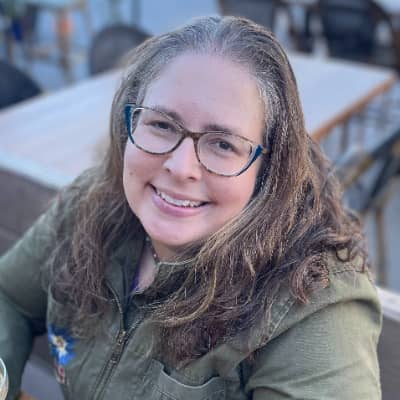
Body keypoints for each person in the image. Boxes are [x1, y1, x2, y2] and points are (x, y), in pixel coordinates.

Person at [0, 16, 381, 400]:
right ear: (128, 121)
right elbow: (9, 296)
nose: (181, 167)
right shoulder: (94, 203)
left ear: (269, 168)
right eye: (162, 125)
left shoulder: (313, 305)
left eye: (223, 144)